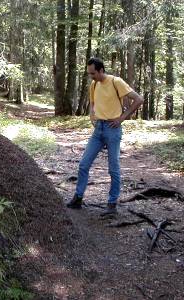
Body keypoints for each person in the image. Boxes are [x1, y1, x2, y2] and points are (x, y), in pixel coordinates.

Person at [67, 57, 144, 215]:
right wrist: (91, 115)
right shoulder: (94, 84)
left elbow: (138, 99)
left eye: (93, 73)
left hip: (112, 129)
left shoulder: (116, 82)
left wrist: (122, 118)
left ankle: (112, 204)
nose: (91, 76)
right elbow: (93, 102)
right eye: (89, 73)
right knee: (83, 164)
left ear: (101, 70)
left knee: (113, 168)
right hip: (98, 130)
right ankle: (78, 198)